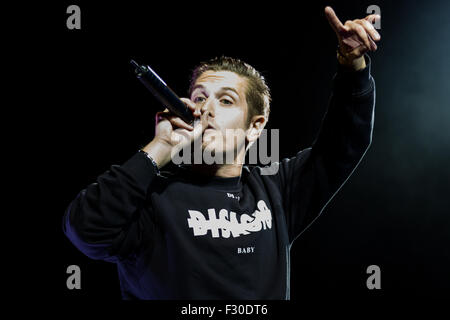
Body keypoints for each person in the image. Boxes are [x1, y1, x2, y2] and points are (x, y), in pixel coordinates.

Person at [63, 7, 380, 299]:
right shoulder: (150, 198)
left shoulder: (277, 190)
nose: (206, 110)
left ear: (254, 127)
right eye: (199, 98)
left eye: (226, 101)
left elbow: (344, 143)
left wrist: (353, 67)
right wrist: (161, 147)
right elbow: (85, 230)